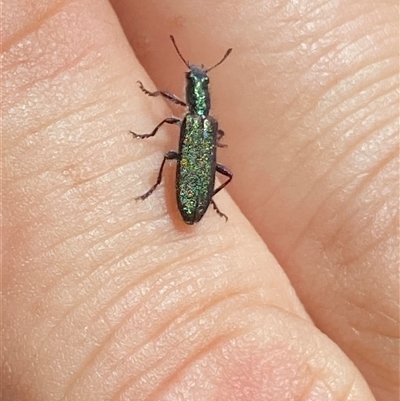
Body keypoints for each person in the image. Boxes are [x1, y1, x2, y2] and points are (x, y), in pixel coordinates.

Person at [3, 1, 398, 400]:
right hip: (197, 188)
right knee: (188, 159)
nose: (196, 87)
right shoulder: (203, 125)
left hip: (194, 189)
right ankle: (198, 196)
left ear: (197, 94)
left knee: (168, 155)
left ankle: (184, 193)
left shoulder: (195, 123)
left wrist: (200, 192)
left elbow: (170, 123)